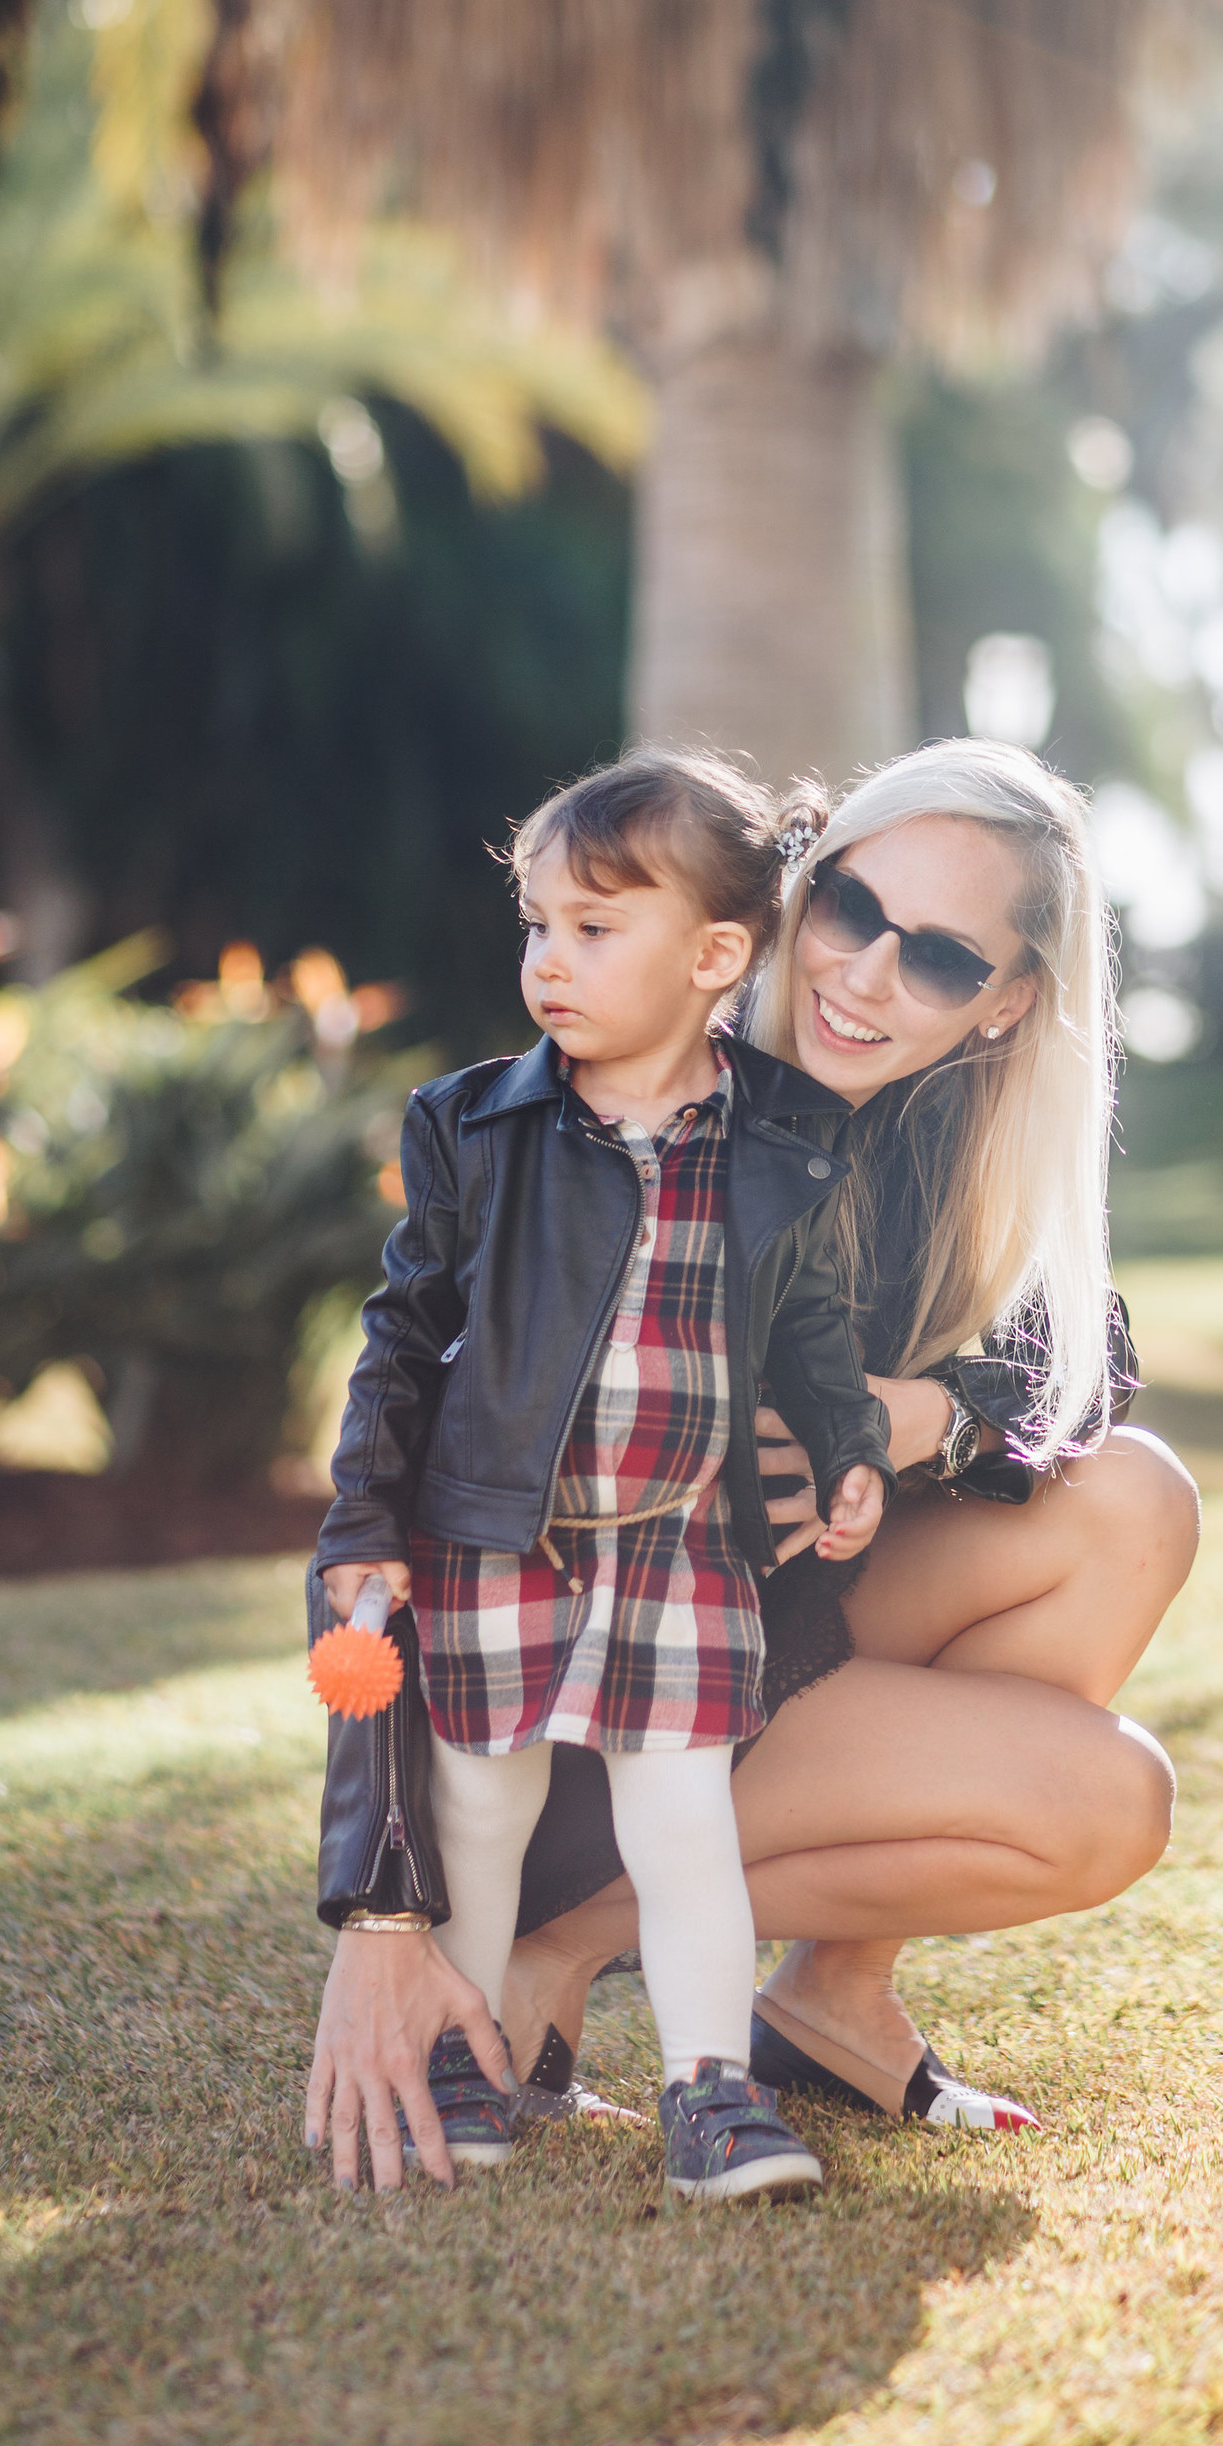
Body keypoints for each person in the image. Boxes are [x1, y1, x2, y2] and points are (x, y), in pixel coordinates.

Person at [306, 738, 1198, 2192]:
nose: (862, 975)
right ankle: (541, 1949)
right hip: (558, 1716)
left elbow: (1081, 1358)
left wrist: (915, 1419)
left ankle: (825, 1999)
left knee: (1138, 1503)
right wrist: (382, 1915)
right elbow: (394, 1474)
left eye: (939, 958)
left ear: (1005, 1005)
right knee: (1104, 1801)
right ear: (789, 893)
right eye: (849, 909)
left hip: (741, 1665)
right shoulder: (611, 1094)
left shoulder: (928, 1134)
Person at [313, 749, 894, 2201]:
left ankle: (709, 2090)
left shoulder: (784, 1131)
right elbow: (405, 1335)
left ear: (714, 956)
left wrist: (849, 1447)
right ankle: (467, 2059)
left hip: (683, 1545)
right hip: (498, 1540)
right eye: (536, 926)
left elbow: (816, 1327)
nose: (547, 962)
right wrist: (363, 1515)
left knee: (685, 1822)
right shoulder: (474, 1126)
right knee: (479, 1809)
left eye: (591, 927)